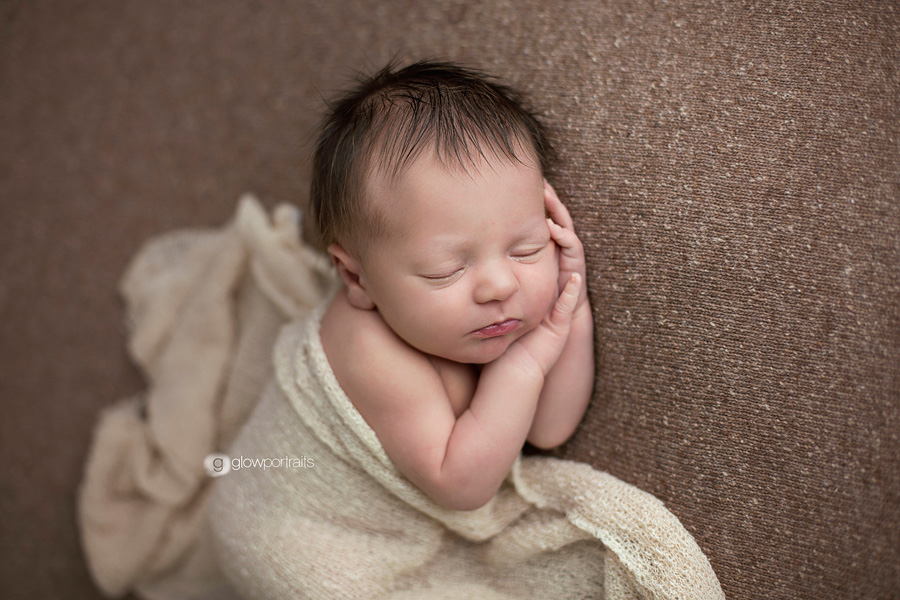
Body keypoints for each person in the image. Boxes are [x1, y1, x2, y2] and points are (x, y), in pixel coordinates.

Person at [312, 60, 594, 511]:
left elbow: (549, 430)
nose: (500, 286)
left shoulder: (469, 317)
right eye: (445, 271)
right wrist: (522, 366)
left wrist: (571, 307)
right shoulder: (367, 346)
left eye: (526, 249)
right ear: (355, 277)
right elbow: (461, 486)